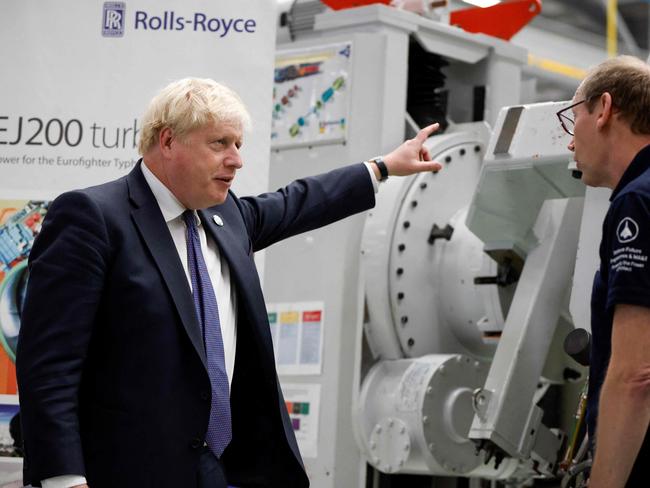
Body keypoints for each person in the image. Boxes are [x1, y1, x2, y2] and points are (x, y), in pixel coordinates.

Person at [16, 77, 441, 488]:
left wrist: (381, 168)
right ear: (167, 141)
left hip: (216, 469)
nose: (236, 159)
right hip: (123, 471)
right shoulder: (92, 217)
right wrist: (64, 478)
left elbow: (298, 202)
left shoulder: (227, 216)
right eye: (220, 144)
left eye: (238, 145)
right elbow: (50, 367)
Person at [556, 55, 650, 487]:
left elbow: (636, 373)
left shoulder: (637, 202)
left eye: (571, 119)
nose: (570, 143)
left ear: (604, 109)